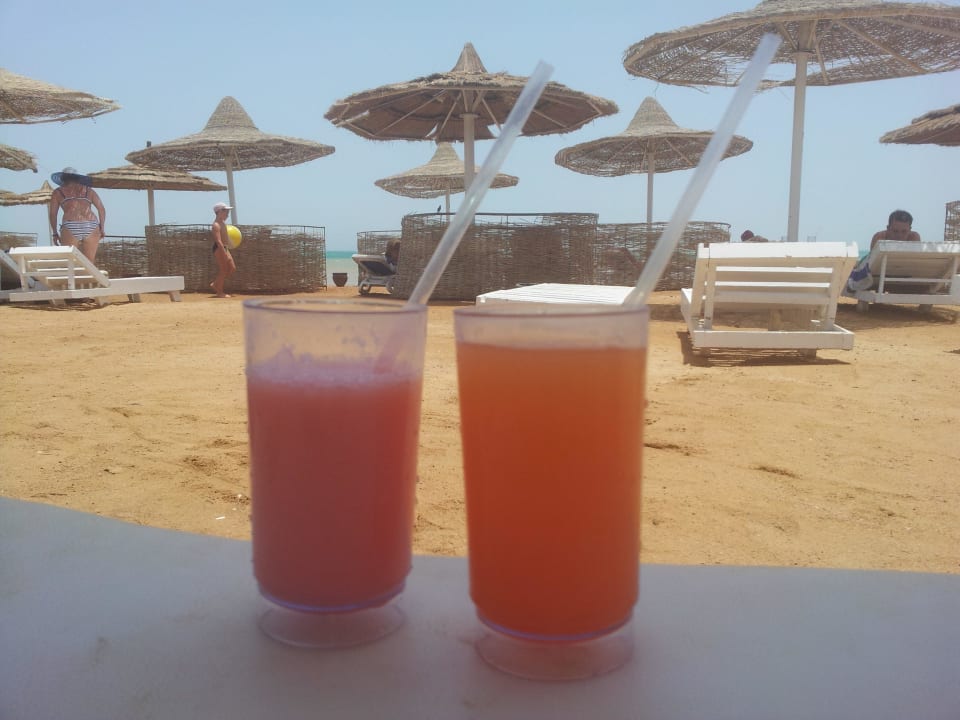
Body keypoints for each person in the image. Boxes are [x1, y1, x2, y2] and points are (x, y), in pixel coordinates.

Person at [48, 167, 106, 263]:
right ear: (77, 178)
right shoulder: (88, 190)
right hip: (91, 224)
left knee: (69, 262)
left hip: (71, 224)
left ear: (63, 178)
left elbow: (53, 214)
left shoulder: (58, 192)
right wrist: (102, 228)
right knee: (89, 263)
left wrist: (54, 233)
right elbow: (101, 209)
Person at [210, 201, 236, 298]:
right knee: (224, 270)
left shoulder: (223, 223)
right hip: (219, 248)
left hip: (224, 247)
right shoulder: (216, 225)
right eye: (226, 212)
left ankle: (215, 284)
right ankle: (219, 292)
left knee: (232, 268)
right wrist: (224, 253)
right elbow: (218, 242)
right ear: (220, 212)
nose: (228, 214)